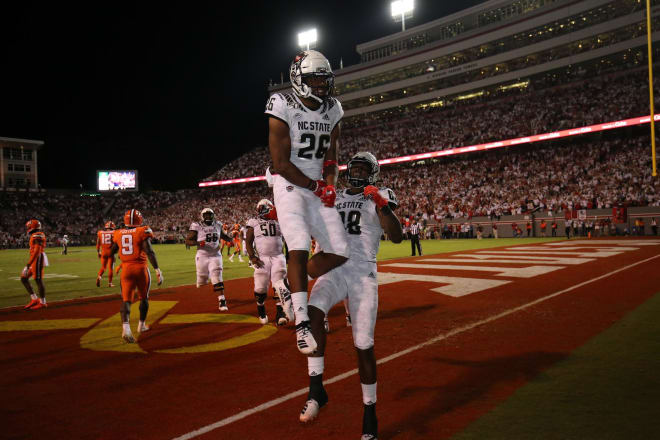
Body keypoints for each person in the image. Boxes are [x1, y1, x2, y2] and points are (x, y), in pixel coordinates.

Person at [299, 152, 402, 440]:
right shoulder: (336, 195)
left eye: (362, 168)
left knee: (363, 344)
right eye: (354, 167)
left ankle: (370, 413)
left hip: (361, 272)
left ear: (373, 173)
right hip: (332, 267)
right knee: (313, 313)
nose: (356, 171)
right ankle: (316, 389)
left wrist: (381, 204)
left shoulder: (380, 195)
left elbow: (396, 236)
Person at [266, 49, 349, 354]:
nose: (321, 85)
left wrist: (330, 185)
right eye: (314, 79)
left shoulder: (333, 109)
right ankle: (301, 324)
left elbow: (332, 158)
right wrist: (316, 186)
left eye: (324, 79)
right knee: (299, 244)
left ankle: (288, 286)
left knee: (340, 250)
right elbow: (279, 163)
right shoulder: (282, 103)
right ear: (299, 78)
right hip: (290, 183)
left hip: (316, 186)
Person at [110, 209, 163, 343]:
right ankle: (141, 325)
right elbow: (149, 251)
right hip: (140, 269)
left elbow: (112, 251)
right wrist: (157, 269)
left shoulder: (118, 233)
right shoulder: (142, 231)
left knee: (126, 300)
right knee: (143, 298)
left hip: (126, 269)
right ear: (140, 220)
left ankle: (126, 329)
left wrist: (121, 262)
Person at [245, 199, 289, 325]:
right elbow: (248, 241)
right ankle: (261, 307)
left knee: (279, 285)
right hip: (262, 259)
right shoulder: (254, 222)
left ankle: (280, 312)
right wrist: (252, 257)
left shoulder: (279, 221)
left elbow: (286, 240)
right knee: (260, 288)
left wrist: (289, 254)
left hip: (278, 257)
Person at [185, 208, 233, 311]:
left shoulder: (218, 224)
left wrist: (230, 240)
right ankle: (202, 280)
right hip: (202, 255)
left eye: (210, 215)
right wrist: (198, 243)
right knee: (202, 280)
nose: (208, 217)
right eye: (206, 215)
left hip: (215, 255)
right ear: (202, 216)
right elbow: (188, 241)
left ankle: (222, 300)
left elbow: (223, 236)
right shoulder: (196, 225)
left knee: (216, 275)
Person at [22, 219, 48, 310]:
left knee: (38, 279)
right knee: (24, 278)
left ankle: (43, 302)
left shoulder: (38, 235)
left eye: (28, 226)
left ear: (31, 227)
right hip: (35, 258)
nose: (27, 228)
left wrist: (28, 264)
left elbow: (37, 251)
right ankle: (34, 299)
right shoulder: (35, 234)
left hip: (37, 258)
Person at [96, 221, 116, 287]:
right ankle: (110, 283)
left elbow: (98, 244)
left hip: (103, 252)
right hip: (110, 252)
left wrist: (98, 252)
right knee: (110, 268)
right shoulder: (114, 232)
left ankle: (99, 277)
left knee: (103, 267)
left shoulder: (100, 233)